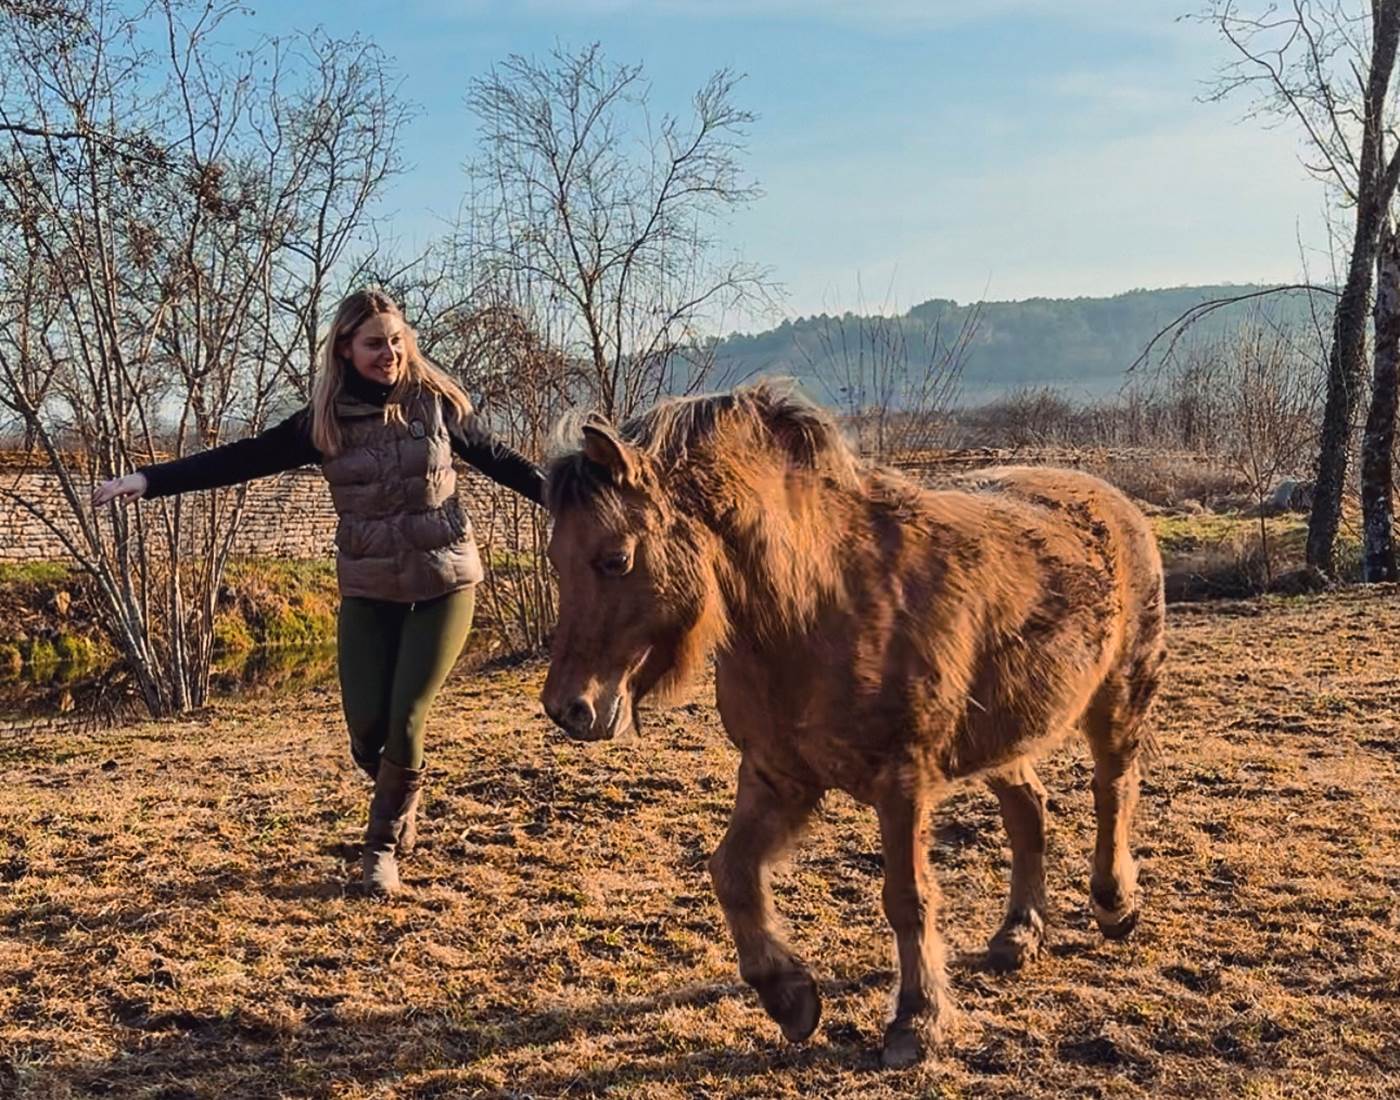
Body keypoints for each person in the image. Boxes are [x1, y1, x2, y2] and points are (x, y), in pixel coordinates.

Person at [93, 289, 545, 895]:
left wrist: (568, 497)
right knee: (367, 729)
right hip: (369, 586)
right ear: (345, 349)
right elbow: (241, 459)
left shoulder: (434, 402)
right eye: (375, 343)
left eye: (396, 340)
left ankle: (381, 850)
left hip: (445, 580)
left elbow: (500, 459)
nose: (389, 353)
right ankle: (400, 791)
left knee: (408, 716)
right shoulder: (323, 422)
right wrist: (149, 480)